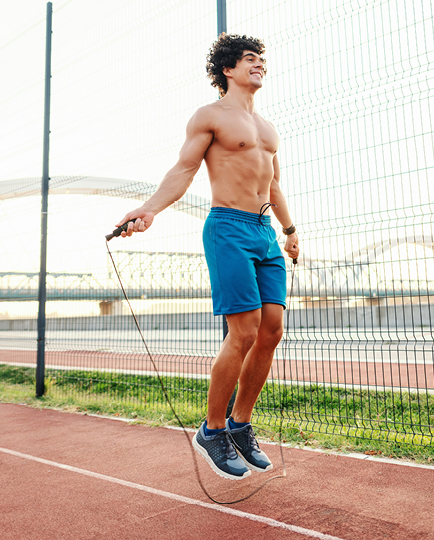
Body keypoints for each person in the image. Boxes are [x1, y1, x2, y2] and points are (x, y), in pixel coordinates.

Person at [115, 34, 300, 480]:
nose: (259, 65)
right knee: (245, 330)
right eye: (250, 59)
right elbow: (183, 169)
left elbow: (273, 185)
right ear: (227, 70)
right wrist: (150, 209)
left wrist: (290, 230)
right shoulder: (209, 116)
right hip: (228, 227)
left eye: (262, 60)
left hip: (265, 233)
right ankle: (212, 429)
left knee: (272, 331)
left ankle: (240, 425)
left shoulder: (269, 128)